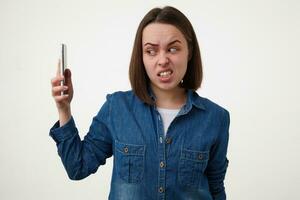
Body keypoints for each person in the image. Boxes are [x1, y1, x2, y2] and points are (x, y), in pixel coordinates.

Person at [50, 6, 230, 200]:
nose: (163, 60)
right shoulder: (117, 108)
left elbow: (215, 187)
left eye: (173, 49)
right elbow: (78, 167)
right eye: (151, 51)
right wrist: (64, 110)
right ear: (141, 57)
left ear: (189, 51)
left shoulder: (216, 117)